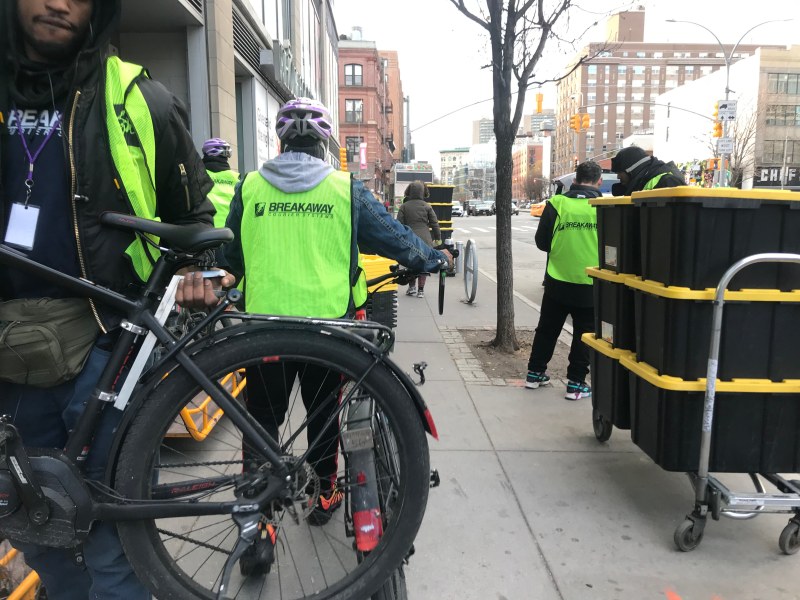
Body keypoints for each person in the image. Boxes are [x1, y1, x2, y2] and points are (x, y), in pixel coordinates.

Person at [0, 1, 226, 598]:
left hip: (108, 338)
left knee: (114, 541)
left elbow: (193, 214)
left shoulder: (137, 100)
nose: (58, 4)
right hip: (9, 351)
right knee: (34, 523)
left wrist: (199, 273)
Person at [218, 97, 452, 529]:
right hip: (327, 334)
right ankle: (325, 494)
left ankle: (259, 520)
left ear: (280, 140)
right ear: (325, 141)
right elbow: (395, 238)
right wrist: (432, 258)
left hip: (263, 331)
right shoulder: (345, 189)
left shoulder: (249, 186)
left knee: (263, 421)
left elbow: (231, 255)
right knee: (323, 414)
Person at [526, 160, 603, 401]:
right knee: (585, 333)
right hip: (591, 282)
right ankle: (576, 383)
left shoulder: (556, 204)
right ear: (599, 181)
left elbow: (542, 242)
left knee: (547, 329)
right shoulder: (602, 206)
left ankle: (535, 373)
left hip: (558, 280)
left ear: (575, 179)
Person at [396, 180, 442, 298]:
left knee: (411, 263)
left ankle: (412, 288)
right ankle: (421, 290)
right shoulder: (427, 206)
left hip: (410, 238)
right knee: (423, 263)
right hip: (425, 239)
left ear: (409, 192)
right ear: (422, 192)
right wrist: (438, 238)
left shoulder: (404, 206)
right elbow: (434, 224)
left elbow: (398, 224)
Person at [610, 146, 685, 196]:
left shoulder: (667, 182)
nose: (618, 176)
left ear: (632, 169)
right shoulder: (641, 183)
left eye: (620, 172)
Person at [202, 137, 240, 228]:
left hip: (204, 231)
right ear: (226, 157)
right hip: (230, 232)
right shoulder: (236, 179)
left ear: (206, 154)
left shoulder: (198, 176)